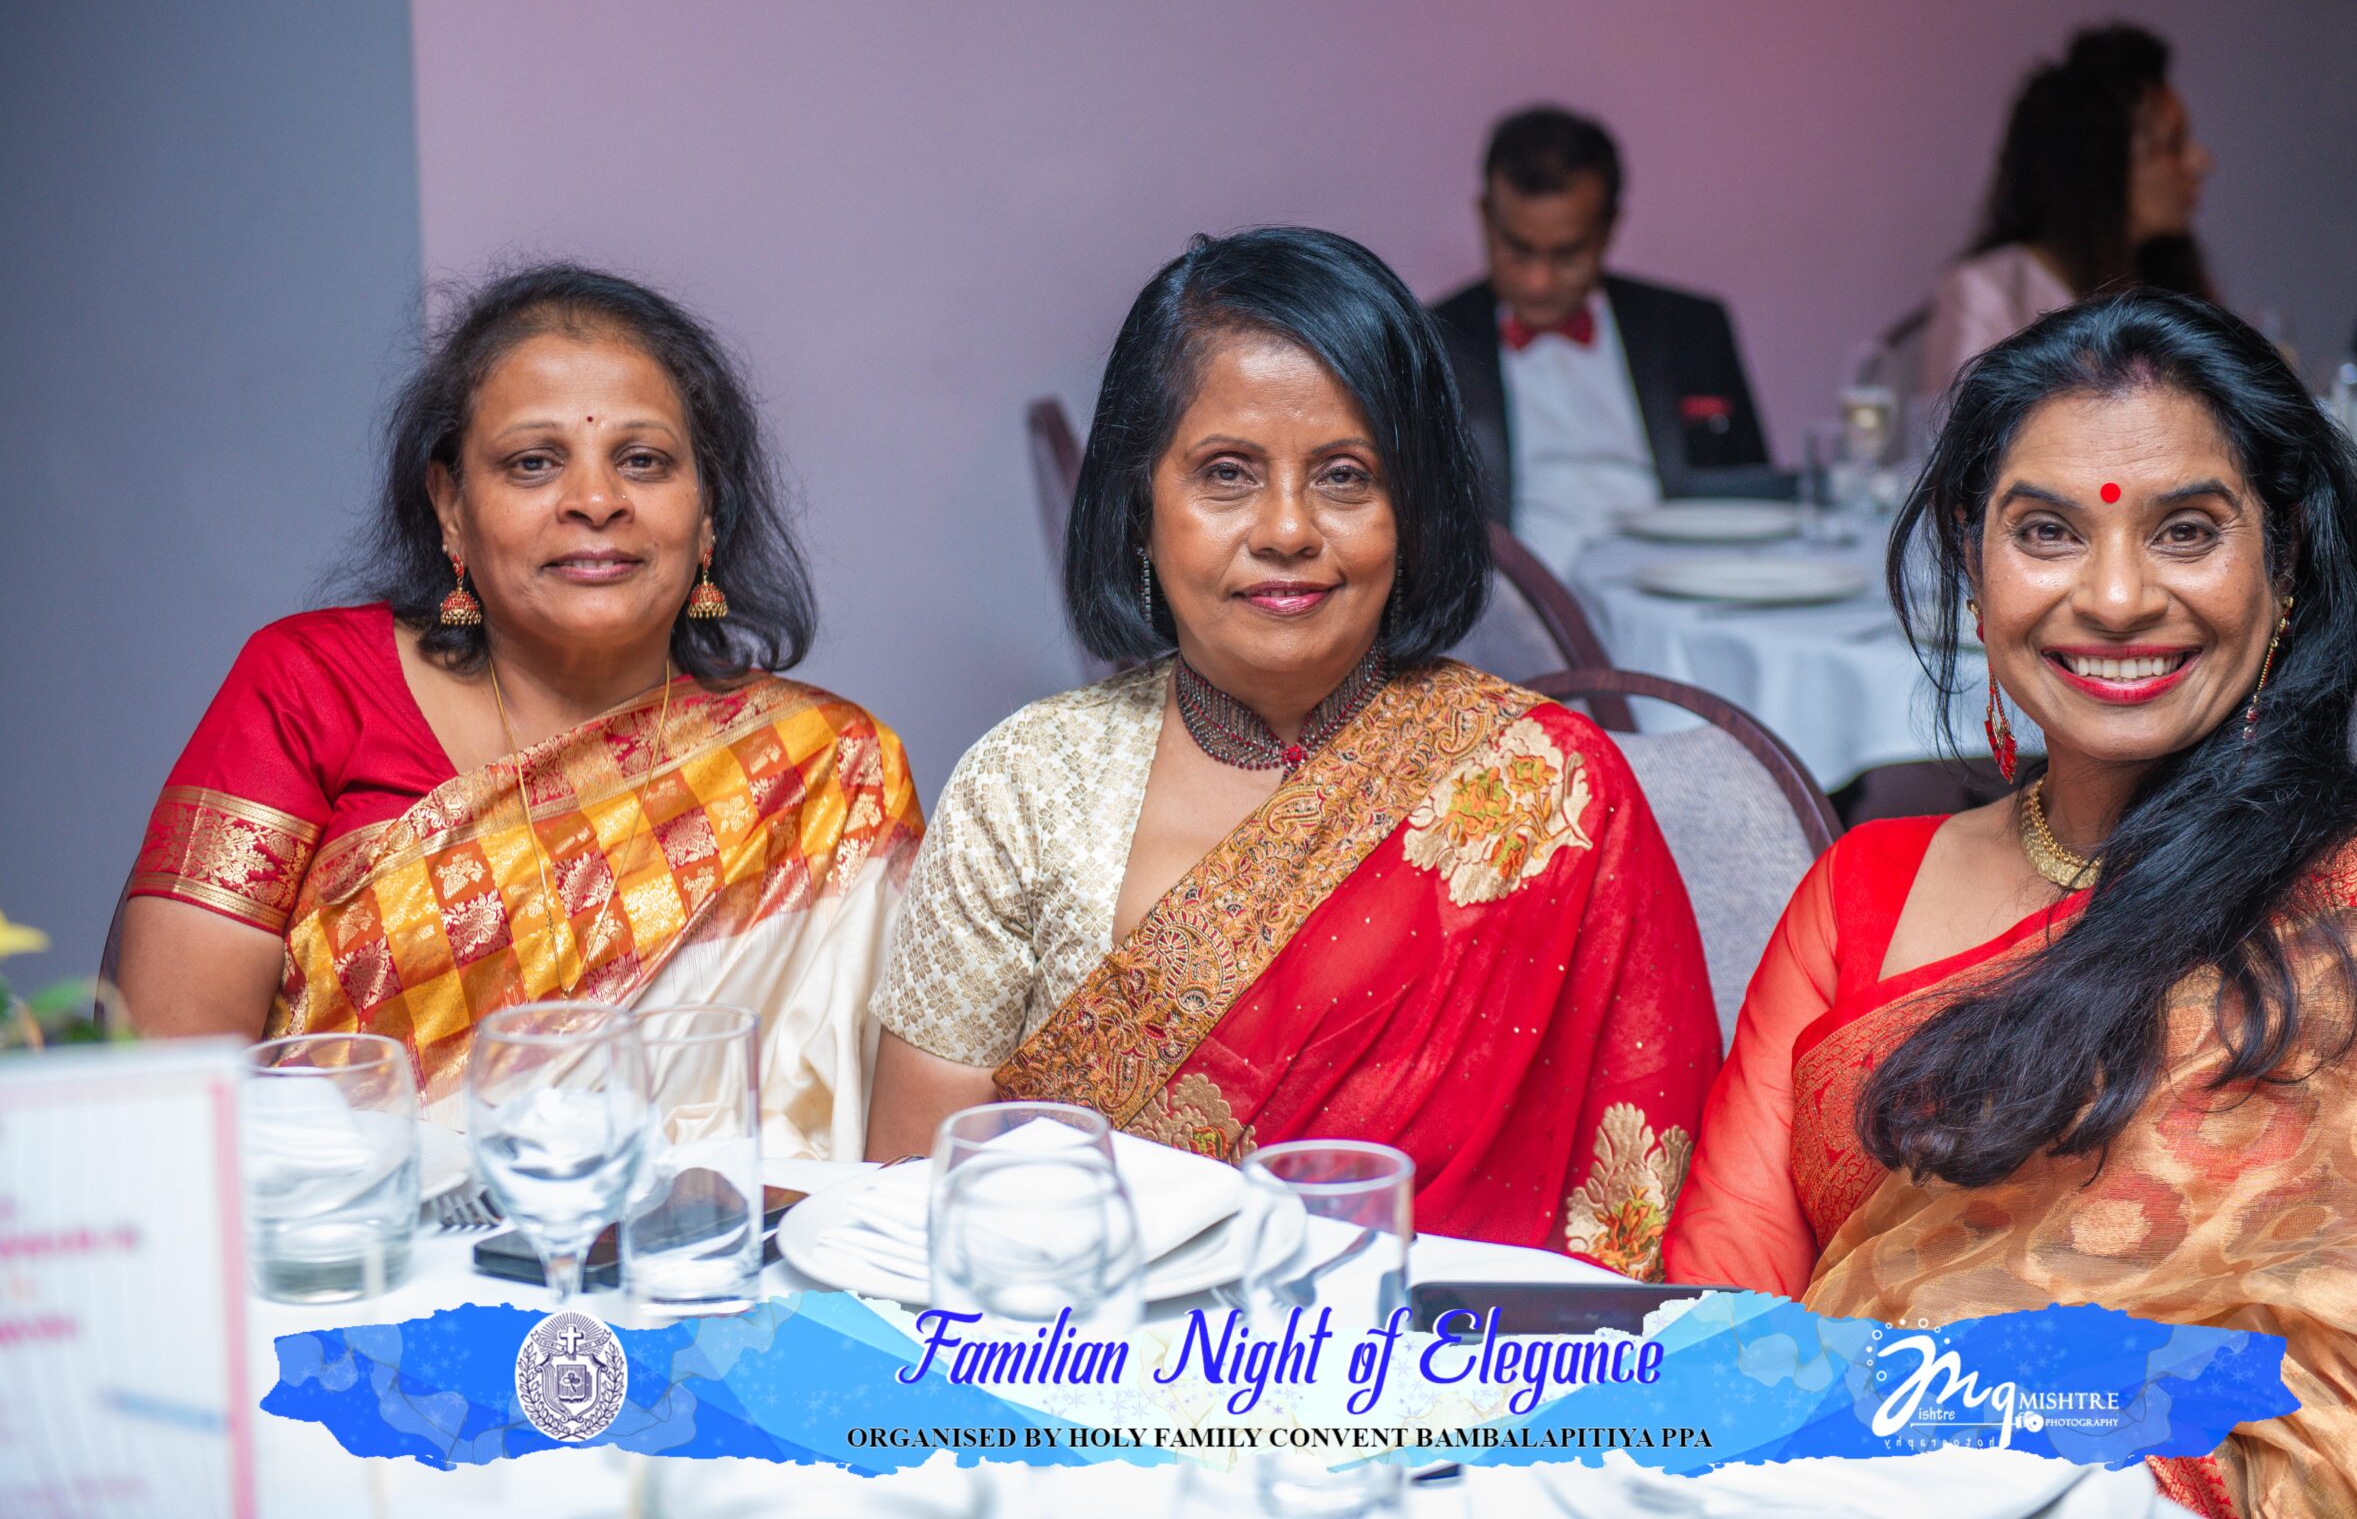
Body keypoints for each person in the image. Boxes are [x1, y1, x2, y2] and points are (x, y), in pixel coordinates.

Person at [1663, 292, 2357, 1514]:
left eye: (2186, 532)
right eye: (2047, 532)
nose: (2119, 597)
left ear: (2285, 563)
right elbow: (1720, 1321)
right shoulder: (1863, 891)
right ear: (1973, 568)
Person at [868, 226, 1716, 1279]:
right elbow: (913, 1214)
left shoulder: (1550, 788)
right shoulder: (1024, 786)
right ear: (1139, 507)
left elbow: (1643, 1234)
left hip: (1465, 1368)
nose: (1286, 529)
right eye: (1226, 474)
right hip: (1080, 1361)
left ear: (1414, 512)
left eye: (1345, 477)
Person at [109, 265, 920, 1157]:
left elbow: (901, 1169)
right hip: (345, 1236)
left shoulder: (828, 769)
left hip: (713, 1242)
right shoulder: (311, 687)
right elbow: (166, 1103)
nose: (596, 501)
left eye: (643, 461)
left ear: (707, 513)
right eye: (534, 462)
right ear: (451, 507)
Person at [1432, 105, 1775, 573]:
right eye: (1517, 249)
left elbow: (1751, 493)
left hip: (1680, 581)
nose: (1539, 281)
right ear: (1485, 218)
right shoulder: (1433, 341)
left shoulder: (1690, 327)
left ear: (1609, 227)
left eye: (1568, 254)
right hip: (1515, 598)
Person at [1922, 26, 2215, 396]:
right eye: (2172, 144)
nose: (2200, 161)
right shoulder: (1989, 291)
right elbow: (1967, 427)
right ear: (2098, 165)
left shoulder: (2162, 284)